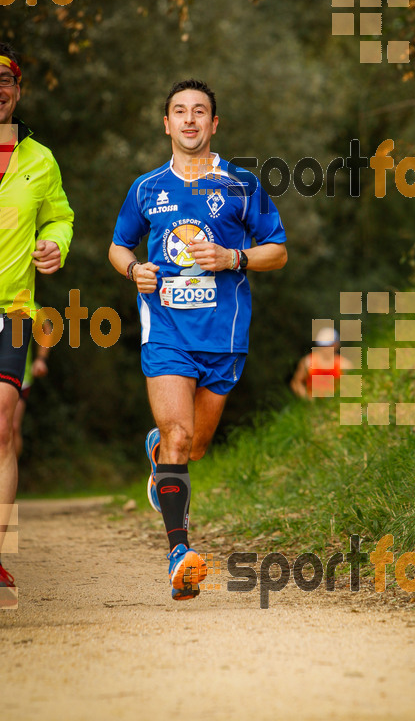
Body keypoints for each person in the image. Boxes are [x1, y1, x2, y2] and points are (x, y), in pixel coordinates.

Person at [109, 78, 287, 602]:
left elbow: (277, 249)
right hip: (165, 331)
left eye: (200, 112)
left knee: (195, 446)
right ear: (166, 124)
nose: (189, 120)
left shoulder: (241, 184)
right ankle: (179, 554)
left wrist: (235, 257)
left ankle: (158, 451)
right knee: (181, 438)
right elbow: (118, 247)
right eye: (179, 112)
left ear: (214, 124)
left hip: (224, 336)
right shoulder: (146, 188)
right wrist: (135, 270)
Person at [0, 43, 74, 600]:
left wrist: (53, 243)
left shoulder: (39, 160)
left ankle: (0, 560)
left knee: (3, 430)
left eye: (5, 78)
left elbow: (60, 216)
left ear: (18, 90)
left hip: (14, 310)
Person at [13, 311, 53, 460]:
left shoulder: (25, 302)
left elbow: (46, 328)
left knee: (12, 427)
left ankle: (10, 473)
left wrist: (41, 359)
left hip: (20, 378)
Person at [290, 327, 352, 398]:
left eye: (329, 345)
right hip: (313, 405)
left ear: (337, 344)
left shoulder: (345, 365)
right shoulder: (308, 362)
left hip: (335, 403)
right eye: (323, 345)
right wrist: (306, 398)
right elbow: (296, 383)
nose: (326, 348)